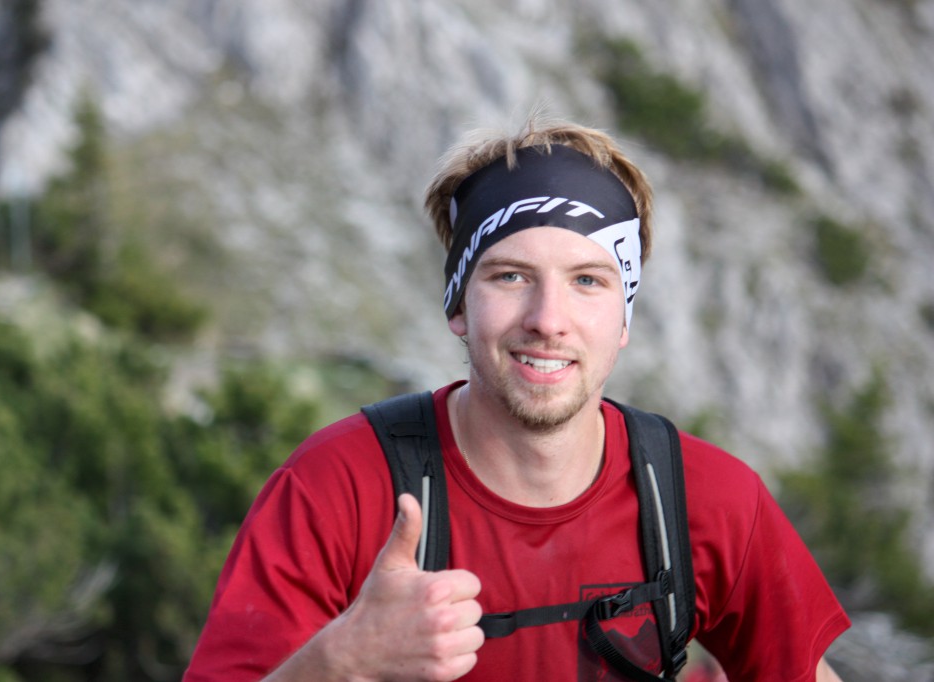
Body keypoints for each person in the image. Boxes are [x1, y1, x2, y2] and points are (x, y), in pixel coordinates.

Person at [183, 116, 850, 681]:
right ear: (458, 306)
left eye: (588, 281)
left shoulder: (705, 500)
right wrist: (340, 661)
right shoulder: (337, 489)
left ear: (623, 318)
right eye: (510, 276)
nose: (548, 319)